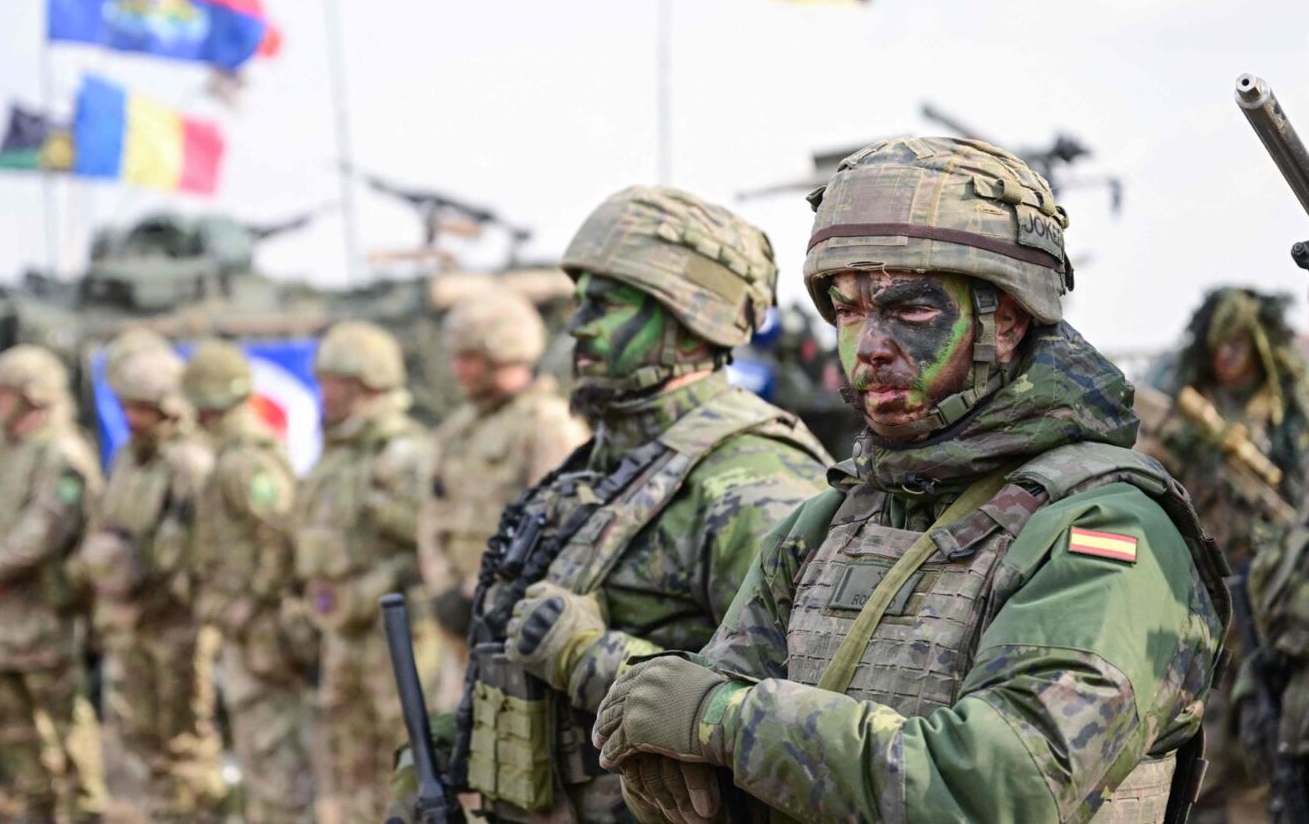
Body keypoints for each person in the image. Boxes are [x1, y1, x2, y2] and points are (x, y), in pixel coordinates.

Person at [594, 137, 1232, 824]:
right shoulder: (827, 526)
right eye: (846, 309)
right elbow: (697, 764)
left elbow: (999, 788)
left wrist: (718, 718)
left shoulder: (1102, 529)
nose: (869, 344)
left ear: (1007, 319)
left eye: (911, 310)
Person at [393, 186, 831, 824]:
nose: (577, 325)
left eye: (605, 304)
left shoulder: (753, 479)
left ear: (688, 318)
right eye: (580, 302)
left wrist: (589, 655)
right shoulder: (603, 465)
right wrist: (443, 753)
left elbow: (799, 721)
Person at [1157, 289, 1309, 821]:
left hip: (1268, 588)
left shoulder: (1287, 413)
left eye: (1238, 345)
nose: (1227, 357)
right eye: (1220, 346)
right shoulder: (1195, 410)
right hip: (1200, 583)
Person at [0, 344, 107, 824]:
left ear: (34, 397)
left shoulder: (62, 453)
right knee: (12, 724)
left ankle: (83, 809)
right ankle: (36, 804)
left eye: (5, 393)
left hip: (42, 613)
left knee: (63, 718)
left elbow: (46, 528)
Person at [418, 288, 586, 706]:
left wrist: (485, 596)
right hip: (459, 627)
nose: (458, 369)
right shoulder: (458, 429)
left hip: (517, 629)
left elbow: (558, 531)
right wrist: (443, 589)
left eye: (469, 357)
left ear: (503, 352)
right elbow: (432, 515)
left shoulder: (548, 426)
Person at [297, 320, 436, 824]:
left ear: (366, 383)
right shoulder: (338, 453)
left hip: (393, 633)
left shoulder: (400, 451)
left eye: (334, 382)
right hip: (343, 631)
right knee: (349, 757)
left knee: (403, 749)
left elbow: (433, 544)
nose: (324, 394)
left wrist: (378, 584)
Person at [84, 339, 225, 822]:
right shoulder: (127, 459)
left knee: (184, 736)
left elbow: (199, 551)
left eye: (140, 408)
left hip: (177, 624)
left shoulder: (190, 464)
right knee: (140, 735)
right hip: (134, 621)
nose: (130, 417)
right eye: (125, 406)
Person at [185, 339, 315, 824]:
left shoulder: (247, 460)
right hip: (246, 628)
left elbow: (281, 535)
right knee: (259, 756)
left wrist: (251, 601)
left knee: (275, 756)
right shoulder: (231, 455)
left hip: (263, 630)